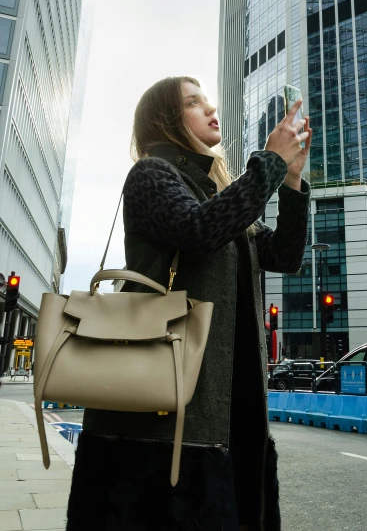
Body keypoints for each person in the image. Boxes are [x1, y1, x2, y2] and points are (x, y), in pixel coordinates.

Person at [66, 76, 312, 531]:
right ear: (166, 120)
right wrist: (270, 161)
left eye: (207, 100)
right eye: (193, 102)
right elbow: (200, 232)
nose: (210, 108)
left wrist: (291, 180)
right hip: (168, 407)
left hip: (229, 399)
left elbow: (285, 255)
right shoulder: (152, 175)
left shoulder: (218, 195)